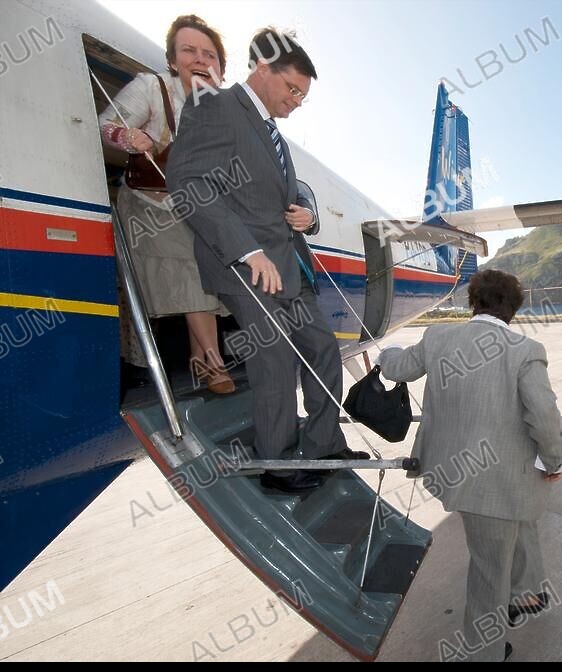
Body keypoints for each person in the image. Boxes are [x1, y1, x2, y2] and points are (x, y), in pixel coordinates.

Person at [167, 28, 367, 493]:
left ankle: (323, 445)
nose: (297, 100)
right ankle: (277, 466)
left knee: (322, 349)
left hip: (286, 267)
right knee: (275, 356)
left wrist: (307, 215)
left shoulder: (271, 133)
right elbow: (188, 184)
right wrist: (248, 249)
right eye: (292, 88)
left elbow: (277, 197)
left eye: (303, 94)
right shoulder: (212, 106)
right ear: (262, 69)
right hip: (243, 264)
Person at [379, 270, 562, 662]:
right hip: (494, 483)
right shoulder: (525, 350)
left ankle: (528, 595)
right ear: (513, 310)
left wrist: (383, 353)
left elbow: (398, 368)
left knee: (523, 524)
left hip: (456, 473)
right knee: (489, 570)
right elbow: (544, 416)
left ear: (473, 301)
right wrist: (554, 460)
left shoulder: (438, 337)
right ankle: (486, 652)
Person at [100, 14, 234, 394]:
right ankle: (213, 365)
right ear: (173, 60)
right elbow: (106, 124)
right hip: (149, 204)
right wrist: (128, 136)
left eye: (209, 54)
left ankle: (201, 362)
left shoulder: (221, 109)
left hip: (193, 209)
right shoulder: (151, 87)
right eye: (188, 50)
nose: (199, 59)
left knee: (204, 276)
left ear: (220, 67)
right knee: (193, 273)